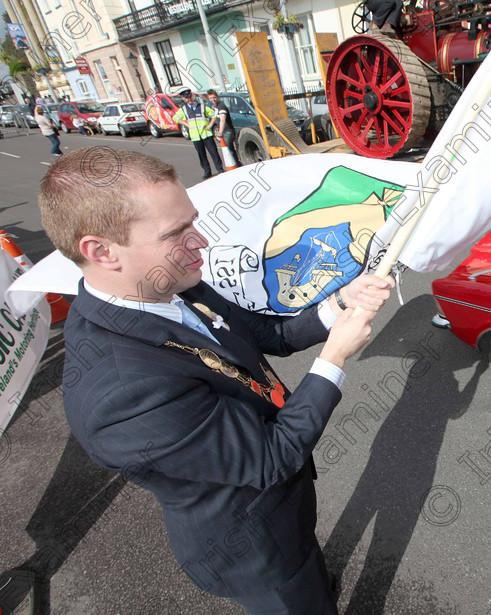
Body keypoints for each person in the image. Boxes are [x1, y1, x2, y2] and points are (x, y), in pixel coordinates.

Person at [39, 146, 394, 614]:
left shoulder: (168, 281)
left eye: (192, 221)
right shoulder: (119, 393)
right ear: (101, 251)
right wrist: (335, 356)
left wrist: (340, 303)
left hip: (284, 510)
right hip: (253, 545)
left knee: (309, 567)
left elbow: (268, 334)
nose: (201, 241)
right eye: (176, 232)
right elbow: (272, 456)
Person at [173, 88, 225, 179]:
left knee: (214, 152)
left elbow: (213, 114)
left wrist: (210, 124)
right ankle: (207, 171)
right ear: (183, 99)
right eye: (187, 98)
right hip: (196, 136)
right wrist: (185, 123)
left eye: (190, 97)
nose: (189, 99)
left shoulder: (201, 107)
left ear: (192, 96)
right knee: (202, 155)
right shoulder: (183, 109)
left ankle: (220, 169)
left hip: (206, 134)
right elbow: (175, 118)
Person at [205, 89, 241, 167]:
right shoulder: (215, 106)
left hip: (227, 131)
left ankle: (236, 165)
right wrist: (210, 125)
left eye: (214, 97)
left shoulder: (221, 106)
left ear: (217, 97)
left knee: (229, 150)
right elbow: (215, 117)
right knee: (230, 149)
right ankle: (236, 164)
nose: (212, 99)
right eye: (210, 98)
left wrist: (220, 131)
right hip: (225, 132)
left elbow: (223, 119)